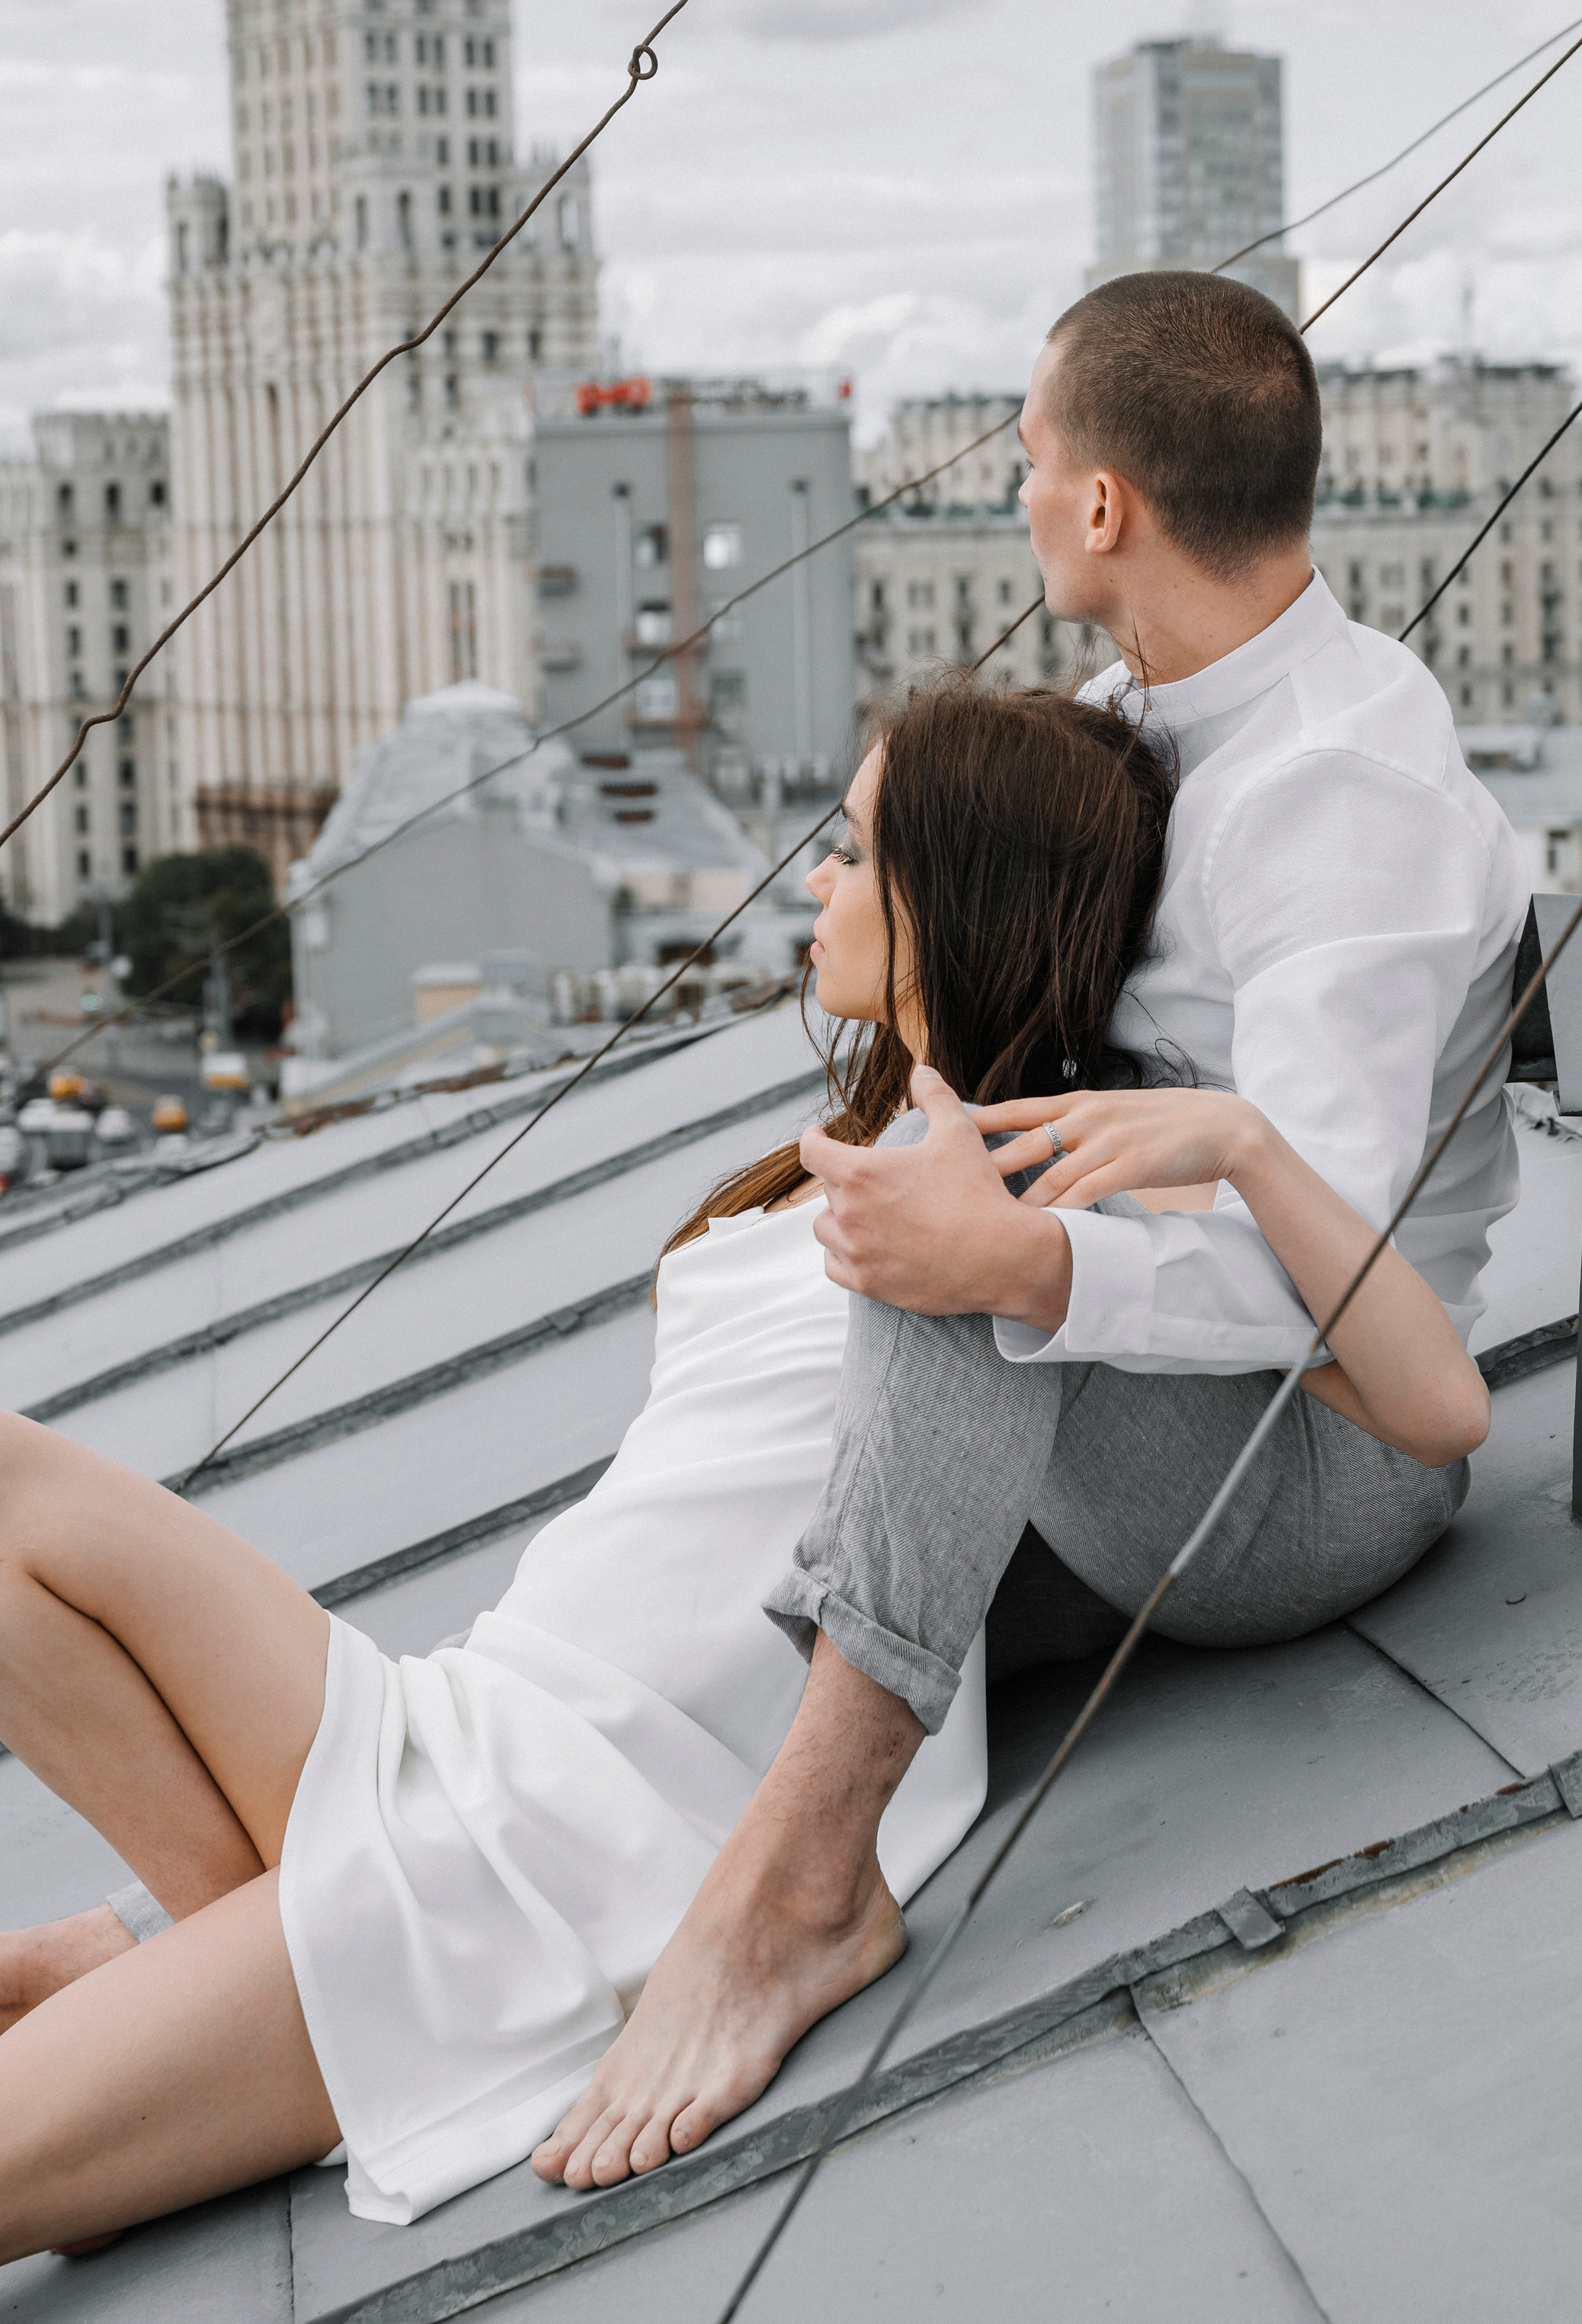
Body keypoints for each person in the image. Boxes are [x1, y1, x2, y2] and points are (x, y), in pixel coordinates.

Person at [562, 264, 1531, 2187]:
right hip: (1146, 1442)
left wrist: (1020, 1256)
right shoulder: (1147, 714)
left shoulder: (1336, 799)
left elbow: (1320, 1290)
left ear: (1101, 509)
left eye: (1025, 461)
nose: (1013, 497)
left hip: (1313, 1465)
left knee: (954, 1239)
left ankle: (803, 1897)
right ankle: (266, 1926)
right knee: (700, 1639)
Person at [0, 678, 1183, 2251]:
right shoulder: (862, 1146)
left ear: (947, 899)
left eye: (848, 851)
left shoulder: (1016, 1203)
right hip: (462, 1722)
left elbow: (1347, 1382)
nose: (814, 880)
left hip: (561, 1860)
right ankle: (248, 1942)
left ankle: (275, 1963)